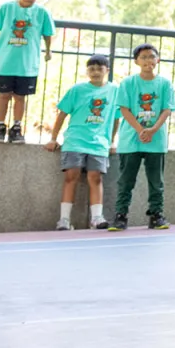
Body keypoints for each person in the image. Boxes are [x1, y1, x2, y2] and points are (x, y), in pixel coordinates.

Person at [44, 55, 116, 231]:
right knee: (71, 176)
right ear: (87, 72)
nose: (96, 72)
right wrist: (53, 138)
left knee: (95, 177)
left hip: (99, 143)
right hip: (75, 141)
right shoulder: (77, 90)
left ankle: (97, 218)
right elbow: (62, 114)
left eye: (100, 68)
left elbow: (117, 119)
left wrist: (112, 141)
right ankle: (64, 219)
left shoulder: (115, 90)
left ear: (107, 70)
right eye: (92, 69)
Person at [111, 43, 175, 231]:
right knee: (126, 181)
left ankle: (156, 215)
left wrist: (153, 129)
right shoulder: (128, 83)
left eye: (151, 56)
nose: (148, 60)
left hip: (156, 142)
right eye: (143, 57)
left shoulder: (164, 84)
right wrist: (140, 129)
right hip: (131, 140)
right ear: (137, 61)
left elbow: (166, 109)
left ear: (158, 60)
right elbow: (124, 109)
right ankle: (120, 215)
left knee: (157, 181)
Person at [0, 0, 55, 143]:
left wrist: (49, 51)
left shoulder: (42, 13)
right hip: (5, 62)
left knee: (20, 97)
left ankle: (16, 127)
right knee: (3, 95)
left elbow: (48, 35)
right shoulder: (6, 8)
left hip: (27, 64)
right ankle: (0, 126)